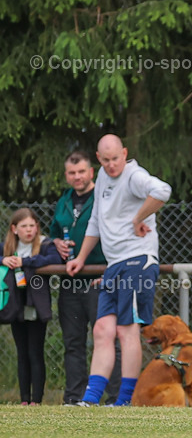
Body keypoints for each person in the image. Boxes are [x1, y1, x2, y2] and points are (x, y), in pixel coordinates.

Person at [66, 135, 172, 406]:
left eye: (116, 158)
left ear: (124, 153)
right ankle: (89, 400)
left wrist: (139, 217)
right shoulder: (102, 175)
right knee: (102, 329)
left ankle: (124, 400)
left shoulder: (134, 175)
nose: (112, 165)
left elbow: (162, 191)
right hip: (114, 266)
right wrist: (80, 257)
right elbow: (95, 221)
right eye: (106, 160)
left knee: (127, 329)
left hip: (138, 260)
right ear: (99, 159)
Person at [49, 151, 121, 405]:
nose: (77, 177)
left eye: (82, 171)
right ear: (67, 175)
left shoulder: (106, 197)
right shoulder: (64, 202)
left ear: (91, 172)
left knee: (108, 338)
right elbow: (53, 233)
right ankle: (74, 398)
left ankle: (116, 398)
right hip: (71, 280)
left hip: (100, 278)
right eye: (72, 172)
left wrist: (110, 270)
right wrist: (56, 242)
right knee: (73, 342)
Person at [3, 208, 62, 404]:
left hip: (35, 306)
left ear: (37, 228)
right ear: (14, 229)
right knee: (22, 353)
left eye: (32, 226)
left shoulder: (45, 245)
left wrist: (25, 261)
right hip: (15, 306)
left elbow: (54, 259)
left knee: (35, 352)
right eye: (24, 226)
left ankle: (37, 399)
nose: (29, 230)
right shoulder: (7, 248)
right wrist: (4, 260)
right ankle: (24, 399)